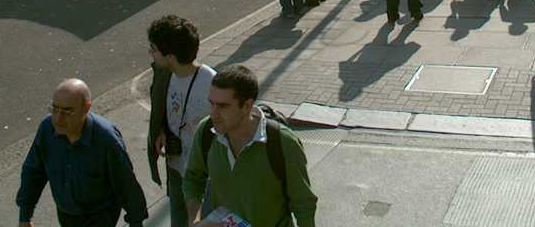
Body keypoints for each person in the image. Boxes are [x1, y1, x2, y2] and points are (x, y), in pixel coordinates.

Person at [183, 65, 318, 226]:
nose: (214, 113)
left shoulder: (282, 142)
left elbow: (304, 204)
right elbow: (193, 178)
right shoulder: (206, 132)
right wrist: (194, 221)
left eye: (223, 106)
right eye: (211, 104)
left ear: (247, 105)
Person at [16, 79, 148, 227]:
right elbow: (33, 172)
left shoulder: (106, 139)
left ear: (86, 108)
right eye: (55, 109)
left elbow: (126, 184)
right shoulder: (47, 129)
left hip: (100, 217)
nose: (58, 119)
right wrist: (24, 216)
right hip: (66, 214)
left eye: (67, 111)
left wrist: (136, 222)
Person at [146, 17, 216, 227]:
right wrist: (161, 131)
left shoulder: (212, 85)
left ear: (170, 56)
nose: (150, 52)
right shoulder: (165, 76)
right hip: (176, 166)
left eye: (153, 48)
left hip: (204, 176)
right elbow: (163, 110)